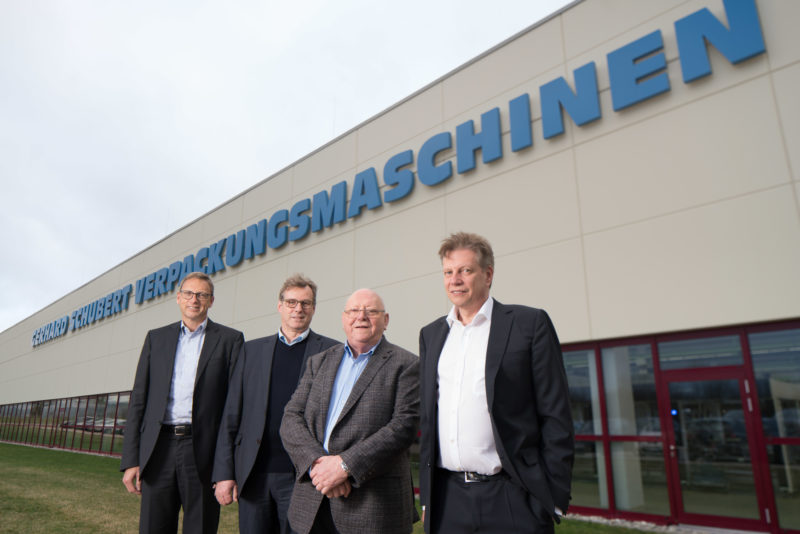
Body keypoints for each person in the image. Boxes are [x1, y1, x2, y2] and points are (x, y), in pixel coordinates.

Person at [418, 232, 574, 534]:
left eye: (465, 270)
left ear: (487, 274)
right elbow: (429, 418)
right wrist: (428, 498)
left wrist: (550, 496)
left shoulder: (529, 324)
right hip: (448, 499)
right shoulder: (432, 334)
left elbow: (556, 414)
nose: (455, 280)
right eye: (448, 272)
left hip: (512, 496)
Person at [279, 288, 419, 534]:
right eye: (354, 310)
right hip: (314, 499)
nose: (361, 316)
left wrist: (344, 467)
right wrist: (318, 465)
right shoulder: (319, 362)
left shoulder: (406, 364)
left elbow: (403, 427)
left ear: (385, 321)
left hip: (373, 507)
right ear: (343, 319)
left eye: (371, 311)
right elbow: (291, 417)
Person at [212, 274, 339, 534]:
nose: (298, 309)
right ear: (279, 306)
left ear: (314, 308)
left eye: (305, 303)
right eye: (291, 302)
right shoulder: (250, 351)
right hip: (254, 473)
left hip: (303, 476)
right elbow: (231, 415)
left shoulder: (332, 352)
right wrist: (224, 473)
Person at [120, 272, 244, 534]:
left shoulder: (231, 340)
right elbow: (139, 400)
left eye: (202, 295)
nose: (194, 300)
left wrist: (226, 467)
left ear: (211, 301)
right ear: (178, 298)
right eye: (188, 293)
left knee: (200, 528)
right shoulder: (156, 338)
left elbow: (233, 408)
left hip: (203, 452)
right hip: (158, 449)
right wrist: (132, 459)